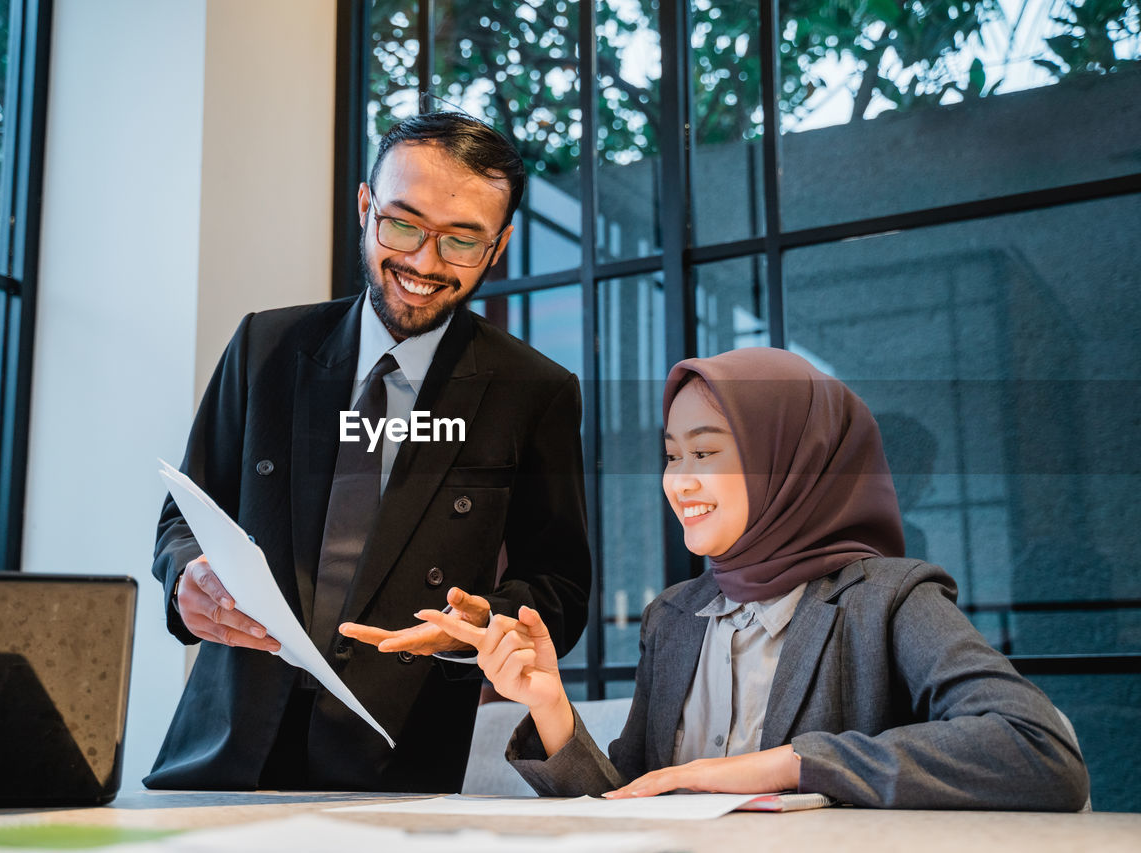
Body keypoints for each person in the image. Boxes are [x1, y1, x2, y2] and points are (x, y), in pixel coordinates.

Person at [418, 347, 1089, 810]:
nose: (680, 481)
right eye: (673, 455)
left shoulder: (887, 598)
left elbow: (1039, 749)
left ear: (793, 460)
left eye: (707, 452)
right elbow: (628, 801)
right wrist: (550, 708)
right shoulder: (673, 616)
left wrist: (789, 766)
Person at [144, 112, 592, 793]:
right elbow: (185, 513)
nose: (423, 262)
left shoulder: (535, 392)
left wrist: (480, 621)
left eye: (462, 241)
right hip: (222, 753)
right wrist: (186, 580)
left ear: (497, 247)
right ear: (365, 207)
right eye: (403, 224)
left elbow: (559, 588)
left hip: (395, 765)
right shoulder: (265, 347)